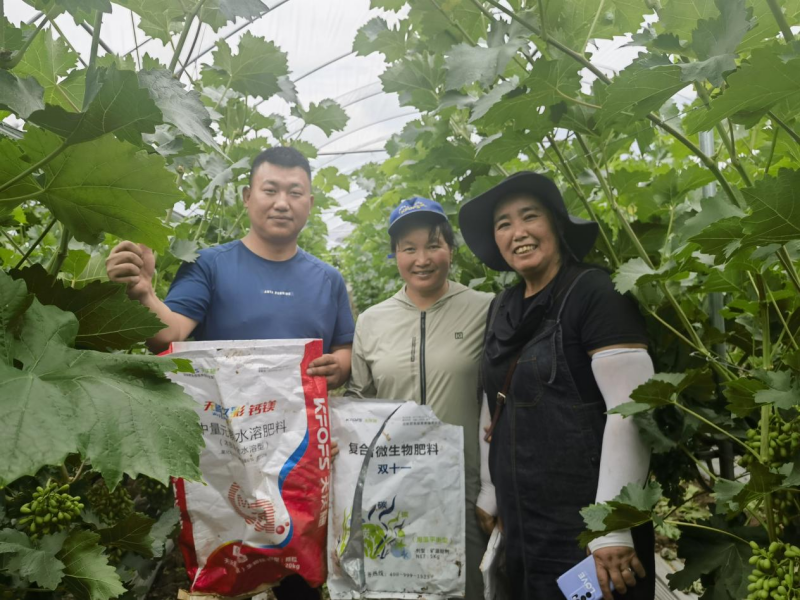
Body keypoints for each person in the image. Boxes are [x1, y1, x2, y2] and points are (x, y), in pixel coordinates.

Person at [105, 146, 354, 600]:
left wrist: (339, 365)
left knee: (301, 577)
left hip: (300, 458)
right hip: (229, 455)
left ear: (310, 202)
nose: (282, 202)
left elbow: (344, 349)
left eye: (295, 191)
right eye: (270, 189)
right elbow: (170, 334)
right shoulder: (210, 265)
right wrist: (144, 294)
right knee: (231, 573)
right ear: (247, 196)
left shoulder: (328, 280)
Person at [458, 172, 656, 600]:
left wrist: (612, 527)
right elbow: (493, 404)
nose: (519, 232)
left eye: (530, 216)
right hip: (522, 523)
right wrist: (492, 493)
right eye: (504, 224)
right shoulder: (502, 307)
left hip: (587, 531)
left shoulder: (597, 294)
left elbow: (634, 410)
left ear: (557, 225)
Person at [346, 197, 494, 599]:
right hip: (393, 489)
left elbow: (501, 397)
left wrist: (492, 490)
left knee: (469, 587)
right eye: (408, 248)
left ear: (451, 249)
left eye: (433, 245)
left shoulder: (485, 310)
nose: (422, 259)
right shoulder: (373, 321)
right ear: (395, 254)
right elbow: (360, 403)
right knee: (398, 588)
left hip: (467, 489)